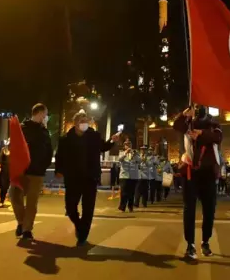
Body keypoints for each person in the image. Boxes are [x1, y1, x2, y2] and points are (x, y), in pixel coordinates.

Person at [55, 112, 118, 246]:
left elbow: (103, 147)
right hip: (72, 178)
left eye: (86, 120)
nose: (84, 123)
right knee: (70, 208)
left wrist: (112, 140)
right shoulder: (66, 138)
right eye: (81, 120)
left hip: (90, 177)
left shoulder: (94, 136)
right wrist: (58, 170)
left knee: (88, 208)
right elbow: (60, 156)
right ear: (75, 122)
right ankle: (79, 225)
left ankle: (83, 235)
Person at [173, 104, 222, 260]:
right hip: (190, 172)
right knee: (189, 209)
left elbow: (217, 137)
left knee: (209, 210)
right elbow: (177, 125)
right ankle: (190, 245)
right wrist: (184, 114)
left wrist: (200, 134)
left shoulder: (213, 124)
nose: (198, 109)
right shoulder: (188, 123)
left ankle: (205, 241)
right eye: (195, 106)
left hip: (207, 173)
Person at [11, 103, 54, 241]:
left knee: (31, 202)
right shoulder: (22, 128)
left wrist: (43, 166)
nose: (46, 117)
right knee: (14, 196)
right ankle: (22, 222)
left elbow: (49, 150)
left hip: (37, 172)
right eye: (45, 114)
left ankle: (27, 230)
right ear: (40, 113)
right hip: (22, 170)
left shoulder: (44, 131)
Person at [118, 141, 140, 212]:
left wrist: (134, 154)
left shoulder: (136, 153)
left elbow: (139, 161)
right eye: (126, 145)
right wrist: (125, 153)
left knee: (131, 193)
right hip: (124, 175)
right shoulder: (122, 153)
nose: (128, 146)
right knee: (123, 192)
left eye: (129, 145)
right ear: (124, 146)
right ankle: (122, 207)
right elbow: (120, 159)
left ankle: (130, 207)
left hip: (133, 176)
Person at [0, 141, 11, 207]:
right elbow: (0, 159)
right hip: (4, 170)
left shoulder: (17, 149)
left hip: (13, 169)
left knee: (14, 187)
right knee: (3, 186)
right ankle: (1, 201)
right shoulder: (4, 150)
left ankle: (14, 202)